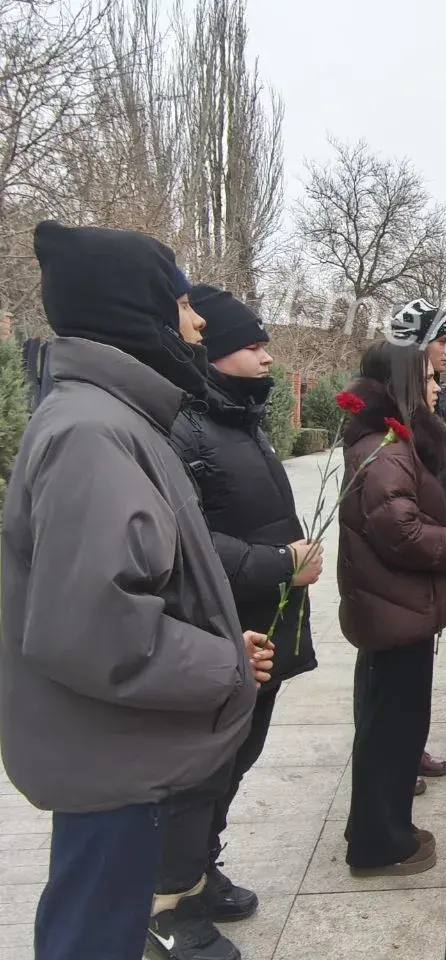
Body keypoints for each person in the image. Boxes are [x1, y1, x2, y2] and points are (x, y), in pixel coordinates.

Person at [1, 221, 266, 960]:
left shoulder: (113, 419)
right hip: (112, 760)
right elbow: (95, 630)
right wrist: (224, 664)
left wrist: (217, 640)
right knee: (93, 936)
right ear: (134, 310)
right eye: (182, 304)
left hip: (120, 749)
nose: (199, 323)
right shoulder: (92, 434)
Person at [147, 285, 323, 960]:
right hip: (221, 630)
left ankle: (200, 868)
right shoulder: (185, 427)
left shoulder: (239, 420)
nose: (267, 357)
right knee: (201, 769)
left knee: (237, 760)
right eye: (252, 346)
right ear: (215, 352)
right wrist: (278, 562)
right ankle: (167, 901)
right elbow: (184, 539)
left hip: (262, 625)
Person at [337, 341, 446, 876]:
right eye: (428, 378)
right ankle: (381, 844)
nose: (437, 387)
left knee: (388, 727)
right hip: (395, 610)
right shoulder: (388, 449)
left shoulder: (385, 443)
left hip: (393, 608)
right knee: (392, 732)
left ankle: (376, 826)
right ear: (403, 385)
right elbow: (401, 530)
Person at [389, 298, 446, 784]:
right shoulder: (396, 405)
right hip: (402, 558)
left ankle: (410, 748)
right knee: (391, 674)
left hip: (431, 546)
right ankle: (394, 759)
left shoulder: (431, 396)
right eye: (442, 341)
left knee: (415, 669)